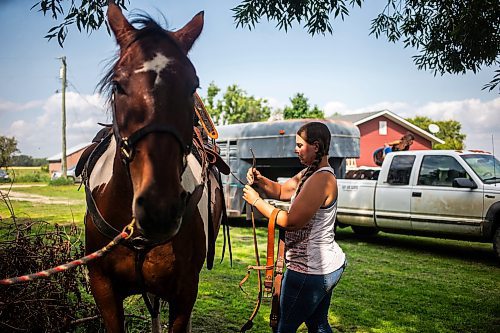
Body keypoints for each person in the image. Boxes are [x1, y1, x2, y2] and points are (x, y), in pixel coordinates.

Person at [242, 121, 346, 333]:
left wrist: (256, 202)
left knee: (285, 327)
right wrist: (260, 181)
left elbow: (291, 222)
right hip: (324, 267)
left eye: (300, 145)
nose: (295, 149)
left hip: (311, 271)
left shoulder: (321, 179)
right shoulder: (310, 173)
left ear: (315, 146)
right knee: (318, 325)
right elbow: (281, 190)